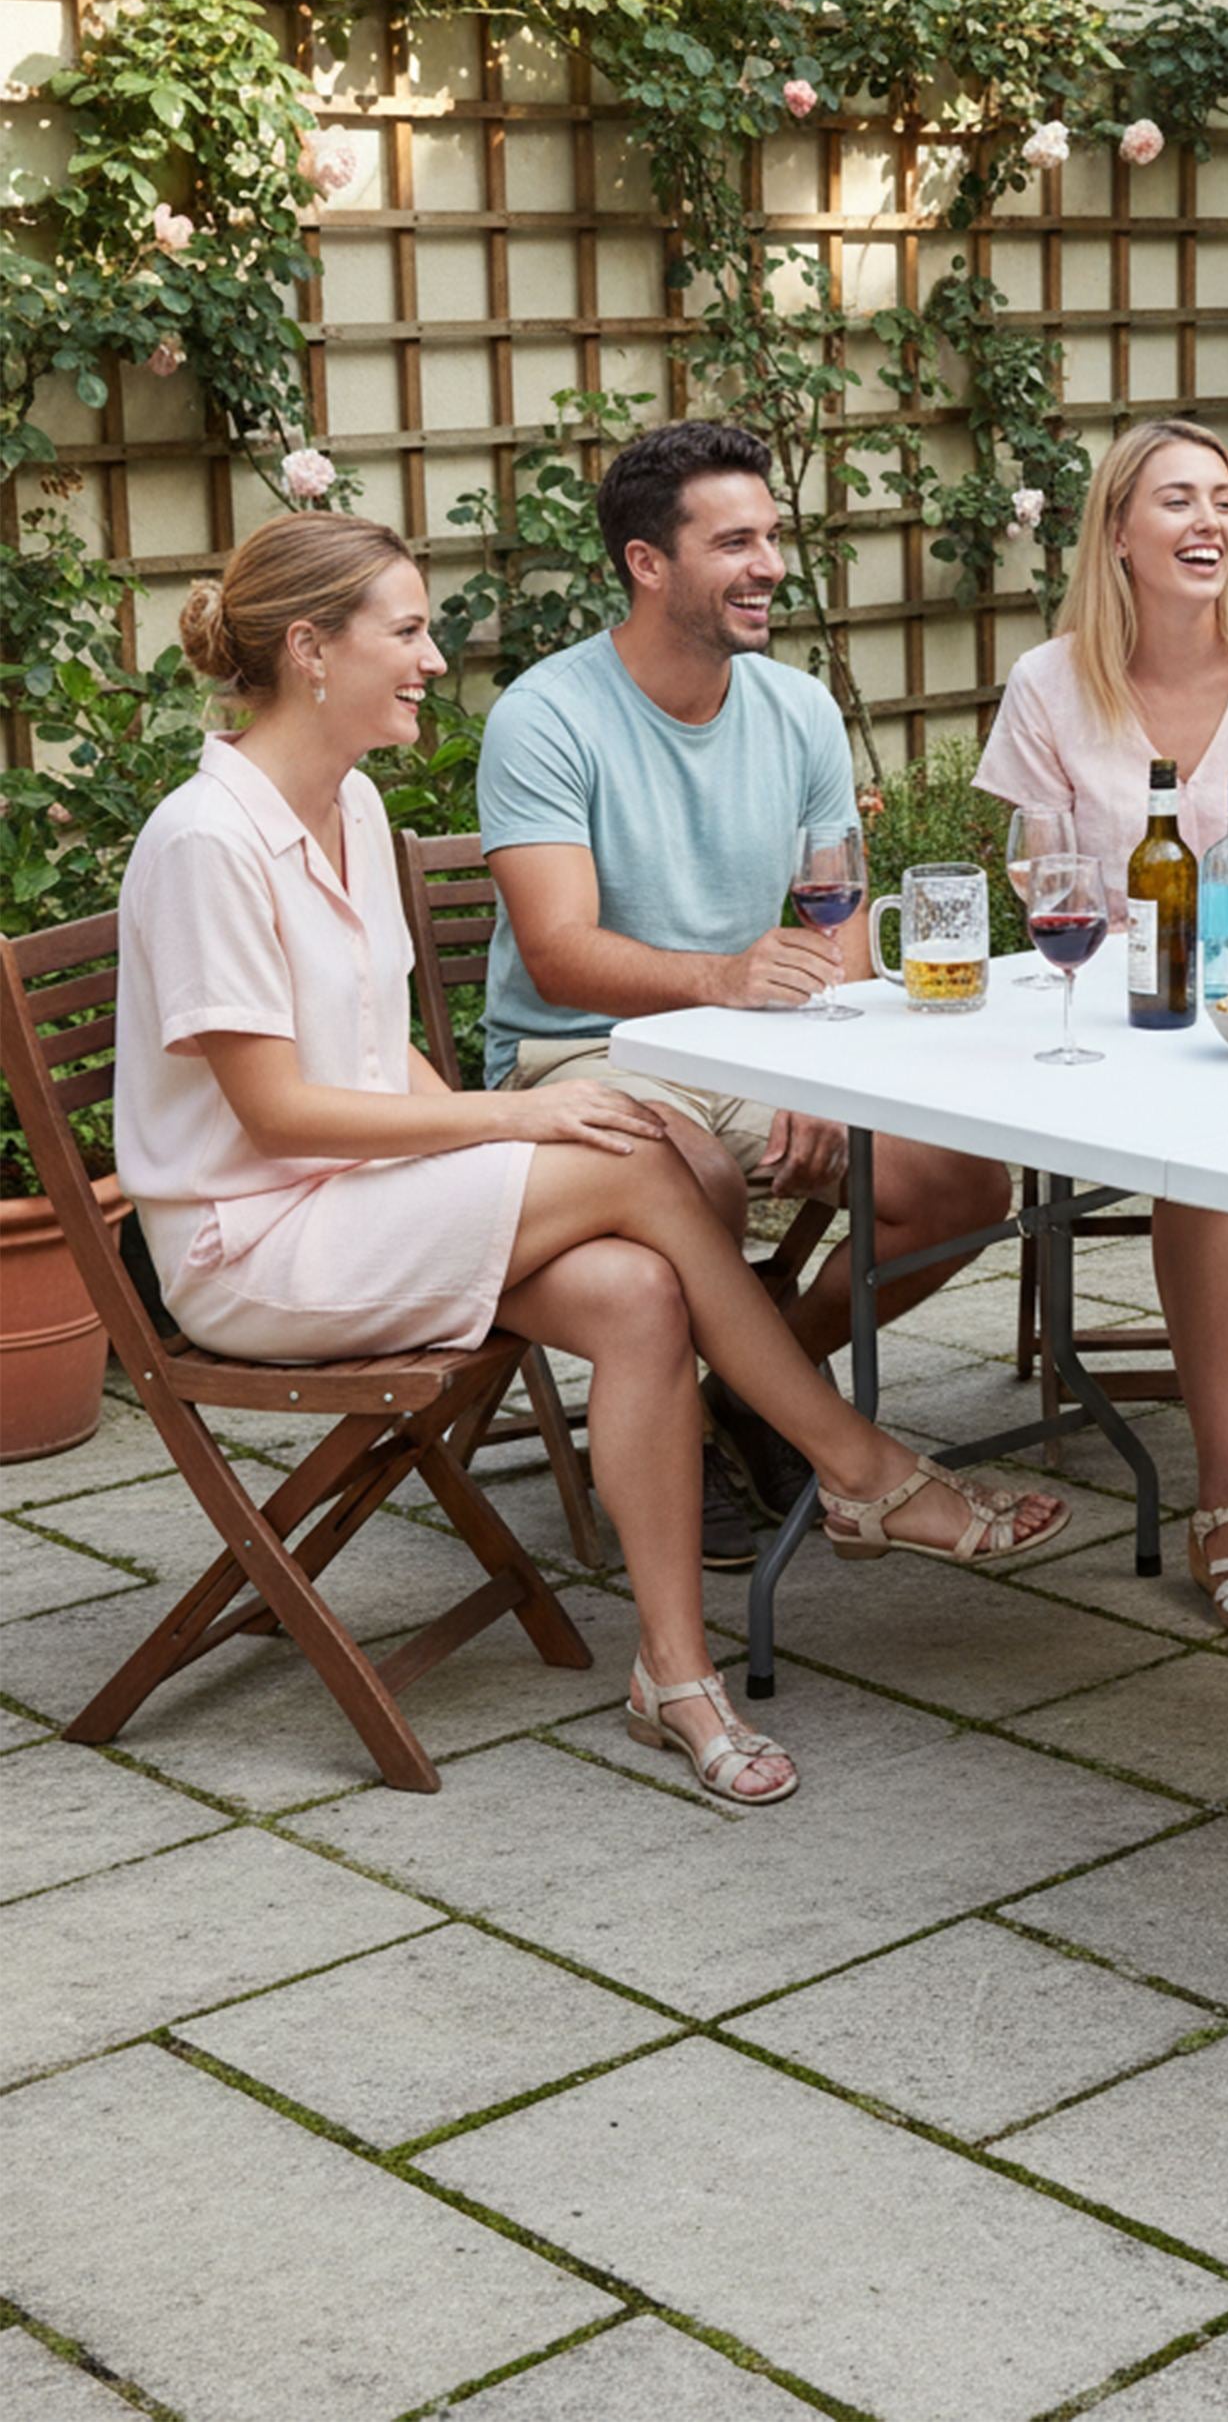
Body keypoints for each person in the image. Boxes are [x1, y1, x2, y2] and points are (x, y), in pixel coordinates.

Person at [114, 514, 1066, 1806]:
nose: (432, 661)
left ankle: (672, 1676)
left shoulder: (345, 805)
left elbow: (378, 1052)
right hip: (257, 1248)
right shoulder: (208, 840)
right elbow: (277, 1114)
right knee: (631, 1154)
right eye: (406, 631)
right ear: (307, 649)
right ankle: (861, 1468)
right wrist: (510, 1123)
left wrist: (471, 1149)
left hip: (360, 1210)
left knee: (638, 1289)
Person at [479, 420, 1009, 1568]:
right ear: (647, 563)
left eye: (772, 535)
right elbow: (559, 953)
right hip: (582, 1052)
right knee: (701, 1180)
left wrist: (825, 1069)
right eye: (735, 541)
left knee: (964, 1183)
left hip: (760, 1042)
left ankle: (749, 1386)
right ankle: (754, 1435)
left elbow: (844, 927)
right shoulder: (546, 716)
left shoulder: (798, 710)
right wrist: (723, 979)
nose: (769, 562)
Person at [975, 418, 1228, 1637]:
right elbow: (1043, 882)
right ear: (1117, 534)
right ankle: (1225, 1494)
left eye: (1226, 501)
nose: (1210, 523)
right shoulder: (1049, 683)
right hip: (1113, 1025)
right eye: (1178, 501)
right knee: (1204, 1150)